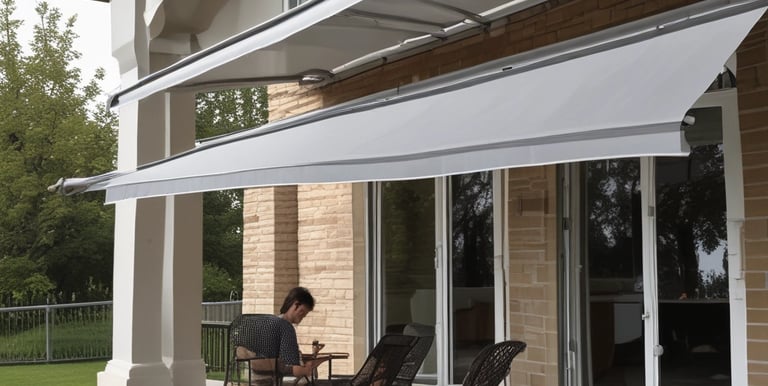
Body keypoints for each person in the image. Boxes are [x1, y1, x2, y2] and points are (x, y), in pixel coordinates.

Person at [235, 287, 320, 384]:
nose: (303, 316)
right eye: (302, 312)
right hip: (267, 379)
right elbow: (290, 369)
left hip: (252, 377)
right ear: (295, 305)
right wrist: (306, 369)